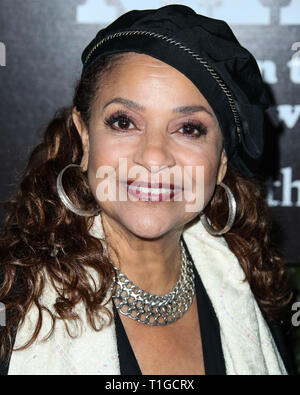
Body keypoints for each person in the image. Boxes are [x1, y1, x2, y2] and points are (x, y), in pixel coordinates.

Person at [0, 4, 294, 375]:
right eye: (124, 122)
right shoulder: (12, 304)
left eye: (189, 128)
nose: (154, 157)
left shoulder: (253, 299)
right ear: (85, 137)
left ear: (220, 164)